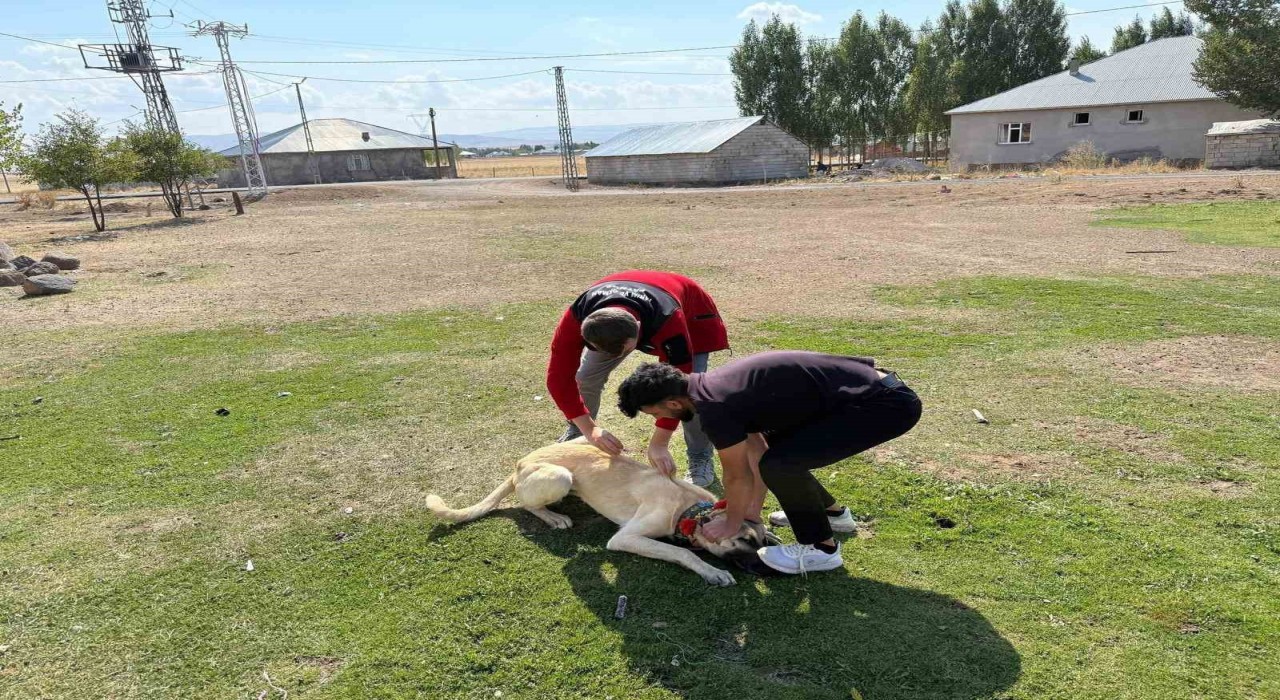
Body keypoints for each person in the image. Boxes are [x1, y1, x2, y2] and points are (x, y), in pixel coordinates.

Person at [615, 351, 922, 575]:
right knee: (778, 454)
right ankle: (834, 516)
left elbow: (736, 476)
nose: (660, 420)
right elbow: (756, 452)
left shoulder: (715, 407)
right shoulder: (711, 387)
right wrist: (751, 514)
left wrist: (733, 523)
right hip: (875, 393)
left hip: (883, 405)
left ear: (672, 402)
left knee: (782, 463)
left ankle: (821, 549)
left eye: (655, 414)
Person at [546, 270, 729, 486]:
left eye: (622, 350)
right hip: (620, 317)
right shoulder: (577, 317)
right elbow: (558, 378)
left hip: (688, 313)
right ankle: (579, 432)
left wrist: (660, 442)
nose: (615, 357)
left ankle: (699, 455)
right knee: (585, 377)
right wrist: (589, 428)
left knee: (694, 392)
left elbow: (680, 387)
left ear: (639, 330)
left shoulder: (668, 319)